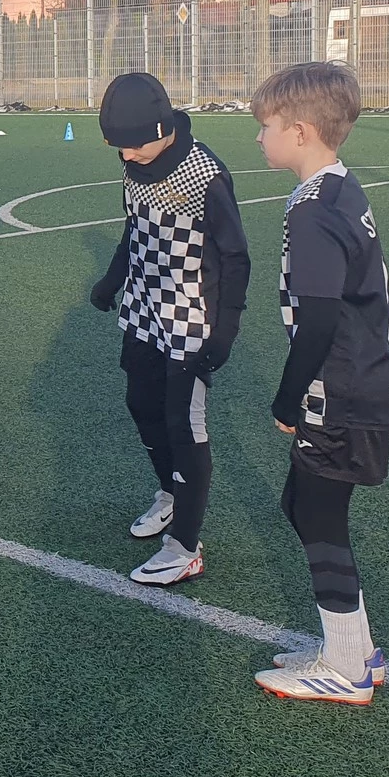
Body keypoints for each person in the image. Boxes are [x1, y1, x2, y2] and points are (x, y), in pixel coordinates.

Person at [250, 62, 389, 706]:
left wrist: (289, 396)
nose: (259, 138)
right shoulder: (340, 186)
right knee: (304, 504)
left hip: (340, 390)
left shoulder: (314, 212)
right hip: (362, 381)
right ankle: (355, 651)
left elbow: (318, 319)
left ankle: (346, 670)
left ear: (302, 131)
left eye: (266, 126)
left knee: (317, 512)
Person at [88, 72, 250, 585]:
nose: (126, 155)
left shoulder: (206, 176)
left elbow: (237, 257)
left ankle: (184, 548)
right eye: (117, 147)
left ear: (161, 129)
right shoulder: (134, 164)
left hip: (190, 316)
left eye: (133, 145)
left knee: (185, 424)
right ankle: (171, 493)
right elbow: (134, 228)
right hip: (143, 306)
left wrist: (225, 332)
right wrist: (112, 280)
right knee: (140, 403)